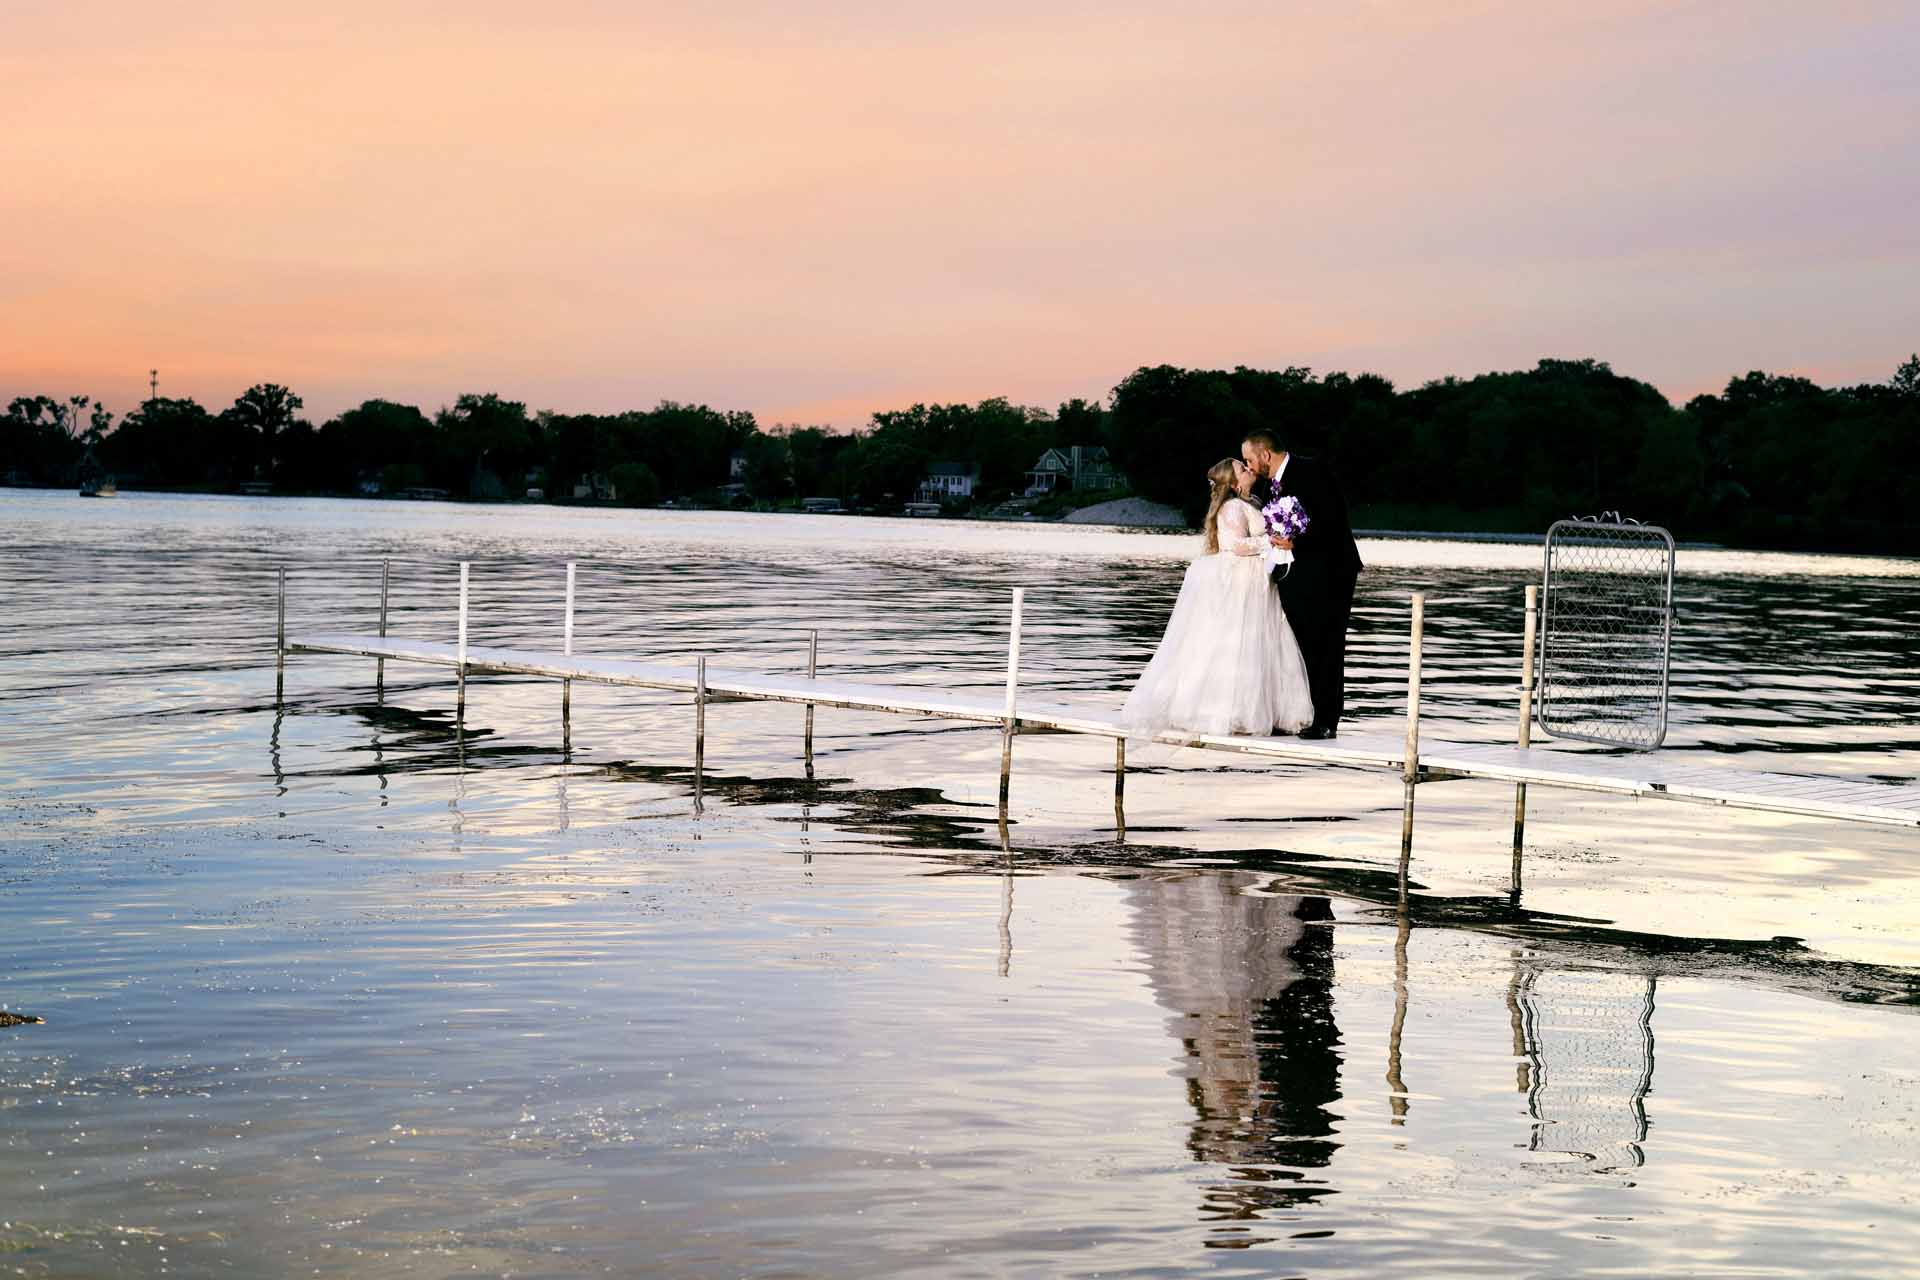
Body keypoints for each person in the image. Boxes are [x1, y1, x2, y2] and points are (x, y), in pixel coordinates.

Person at [1120, 458, 1314, 741]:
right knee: (1239, 643)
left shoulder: (1255, 501)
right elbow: (1235, 545)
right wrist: (1271, 540)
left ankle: (1266, 709)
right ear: (1234, 483)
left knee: (1261, 641)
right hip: (1241, 580)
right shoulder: (1233, 506)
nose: (1249, 470)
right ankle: (1233, 710)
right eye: (1242, 469)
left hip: (1257, 580)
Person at [1241, 429, 1362, 739]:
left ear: (1265, 454)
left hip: (1330, 571)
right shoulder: (1270, 486)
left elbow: (1333, 520)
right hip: (1295, 574)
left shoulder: (1313, 471)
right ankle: (1310, 713)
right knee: (1304, 643)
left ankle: (1327, 720)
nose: (1250, 466)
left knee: (1328, 643)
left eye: (1250, 460)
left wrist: (1296, 542)